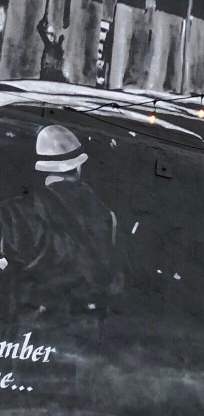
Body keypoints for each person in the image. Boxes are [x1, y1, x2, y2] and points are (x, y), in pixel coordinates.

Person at [0, 124, 122, 326]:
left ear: (41, 168)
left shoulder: (13, 212)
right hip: (88, 323)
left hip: (34, 323)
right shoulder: (105, 214)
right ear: (79, 167)